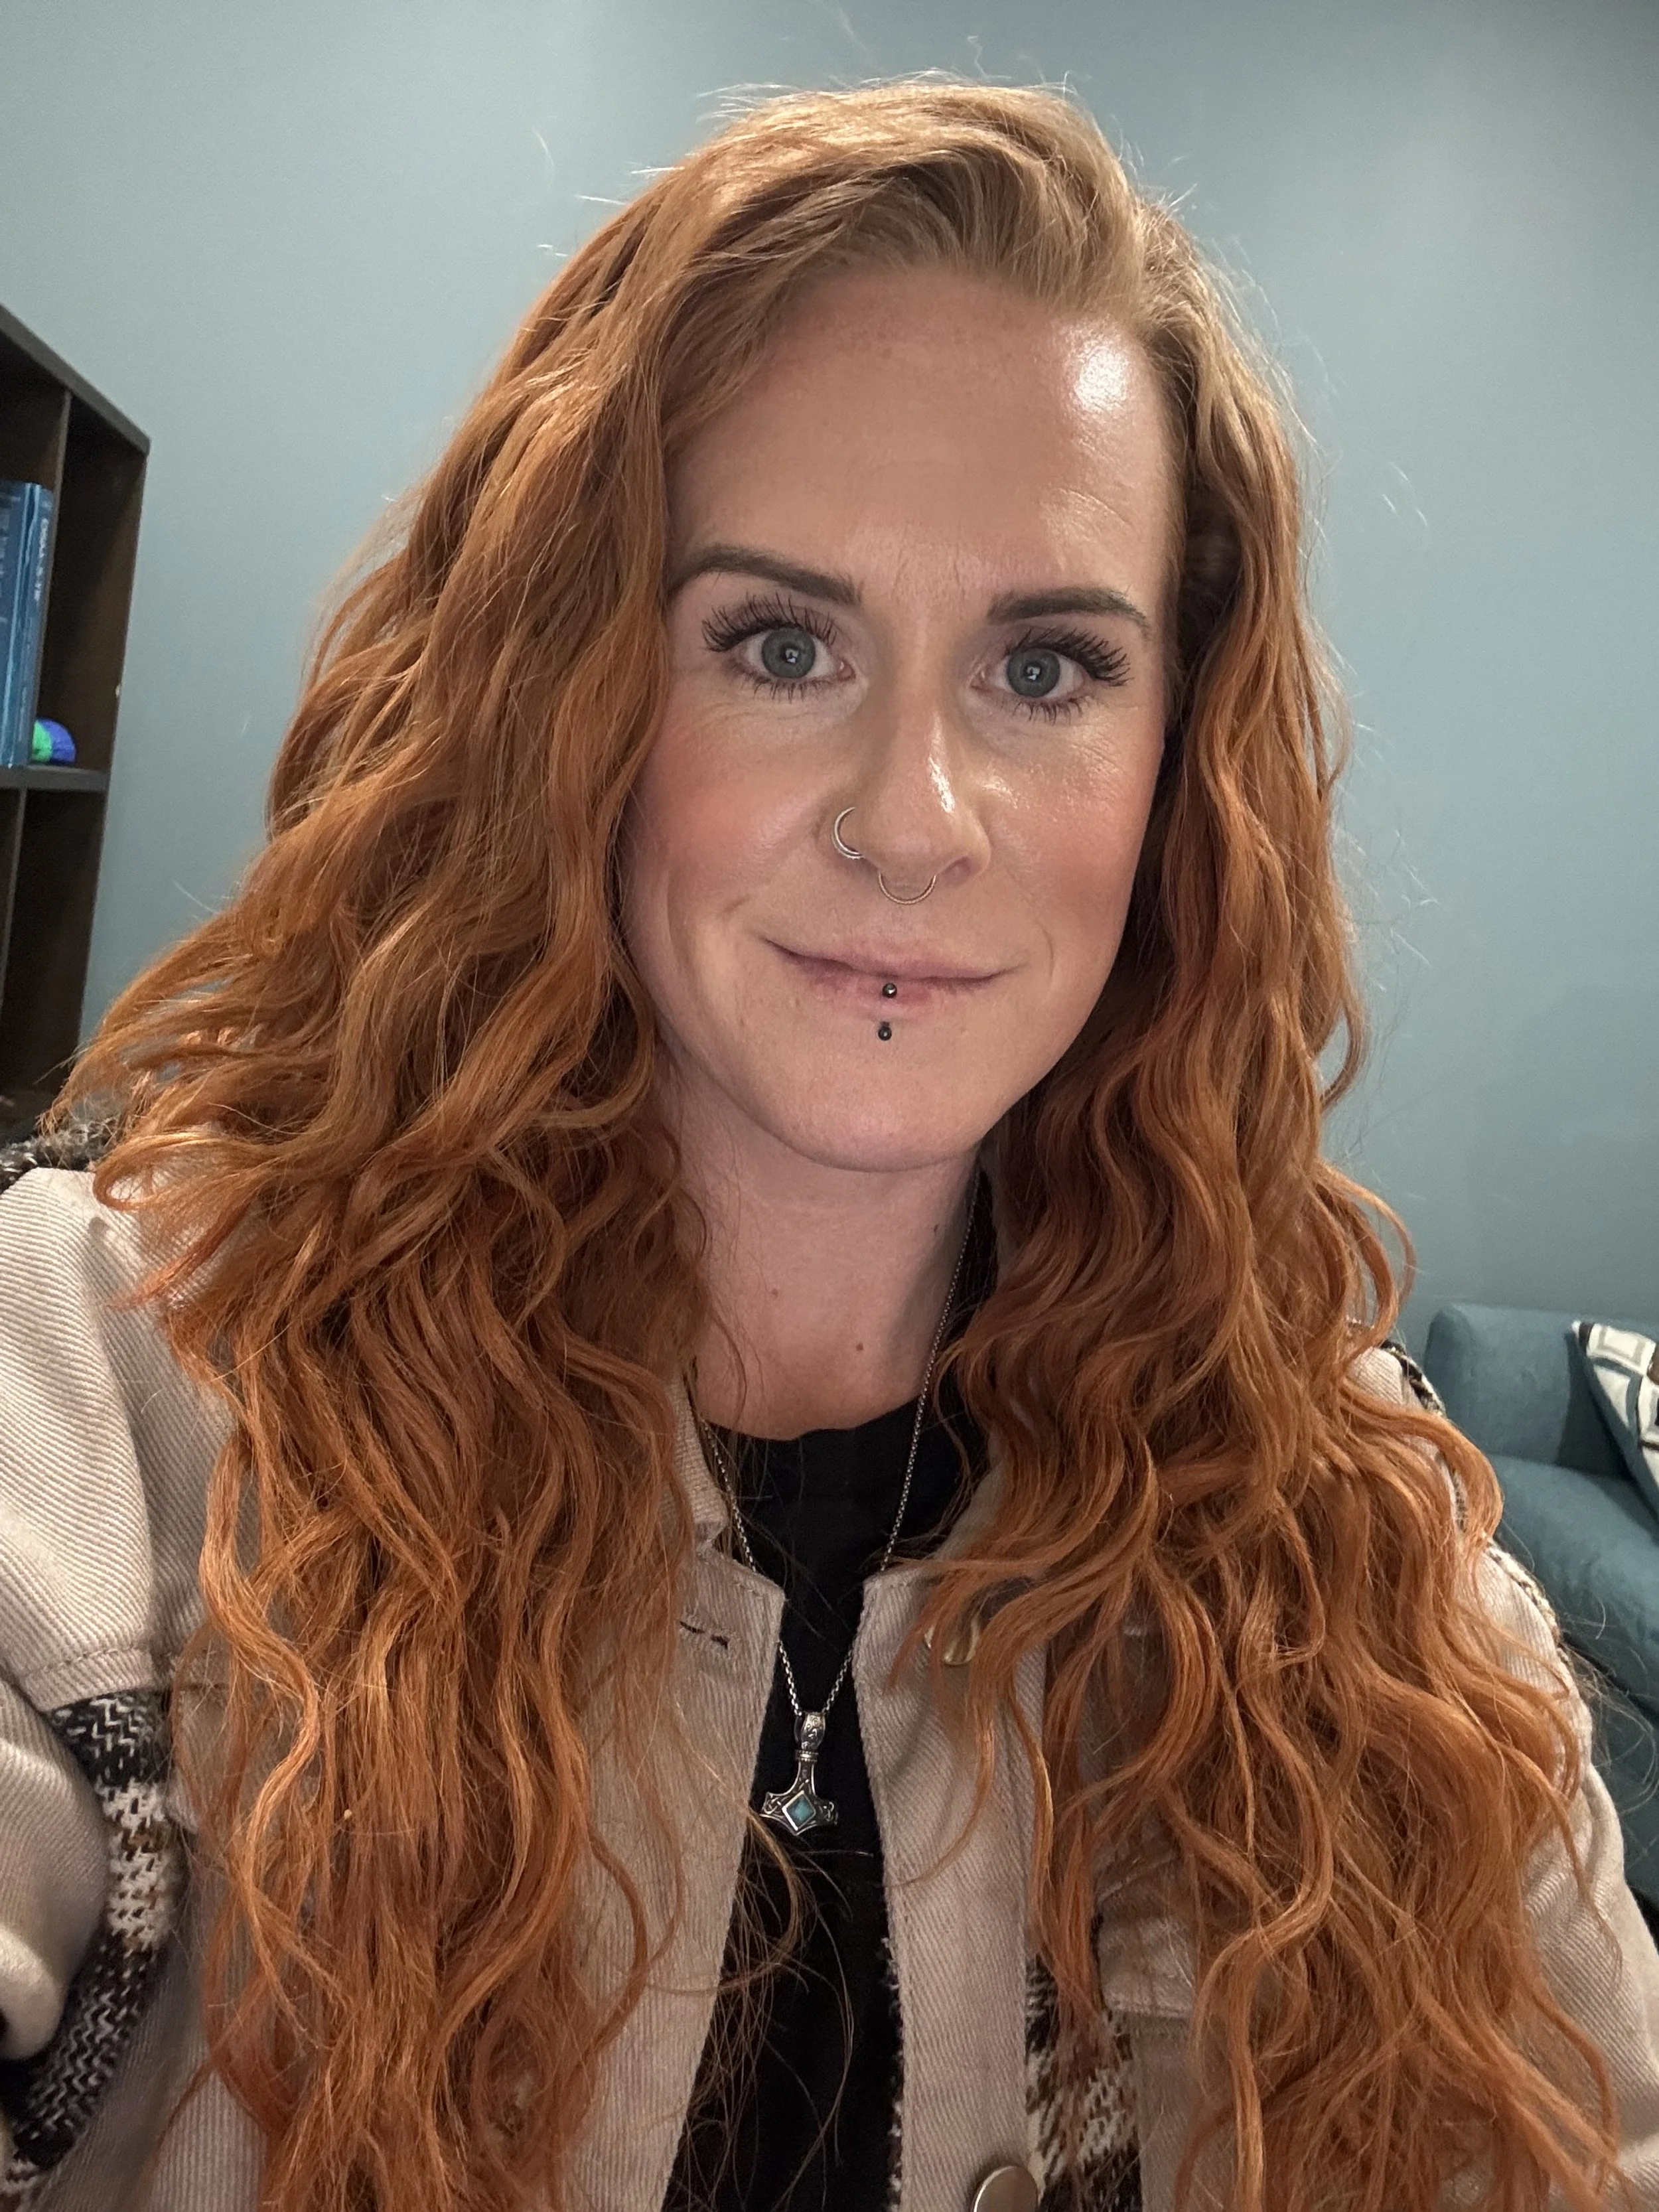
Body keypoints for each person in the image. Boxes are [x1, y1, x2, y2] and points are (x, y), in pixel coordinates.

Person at [0, 76, 1653, 2212]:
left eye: (1044, 668)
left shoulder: (1360, 1553)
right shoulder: (116, 1389)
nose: (910, 816)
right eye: (779, 644)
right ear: (574, 693)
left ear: (1174, 773)